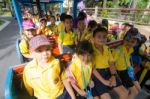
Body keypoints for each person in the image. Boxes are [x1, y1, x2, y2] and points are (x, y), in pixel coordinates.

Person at [91, 27, 128, 99]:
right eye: (99, 36)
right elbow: (92, 68)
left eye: (104, 37)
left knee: (125, 93)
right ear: (93, 38)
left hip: (109, 72)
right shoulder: (90, 50)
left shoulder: (106, 48)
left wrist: (113, 76)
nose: (102, 39)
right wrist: (104, 81)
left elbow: (111, 63)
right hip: (97, 75)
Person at [112, 28, 141, 99]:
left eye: (133, 42)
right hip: (122, 73)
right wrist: (114, 75)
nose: (129, 43)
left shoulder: (131, 49)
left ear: (136, 43)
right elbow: (111, 63)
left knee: (139, 90)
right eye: (127, 40)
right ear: (124, 39)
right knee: (134, 92)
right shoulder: (118, 50)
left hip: (129, 71)